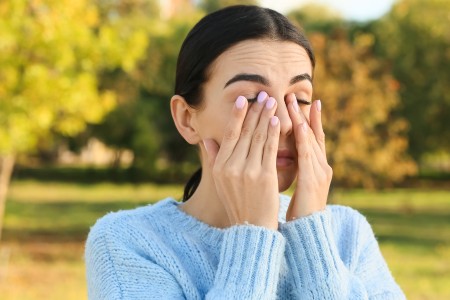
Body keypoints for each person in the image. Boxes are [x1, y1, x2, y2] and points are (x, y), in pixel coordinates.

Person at [85, 5, 406, 299]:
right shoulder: (128, 243)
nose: (282, 123)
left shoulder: (346, 235)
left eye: (300, 99)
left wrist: (313, 236)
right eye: (252, 99)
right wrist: (253, 236)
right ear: (187, 119)